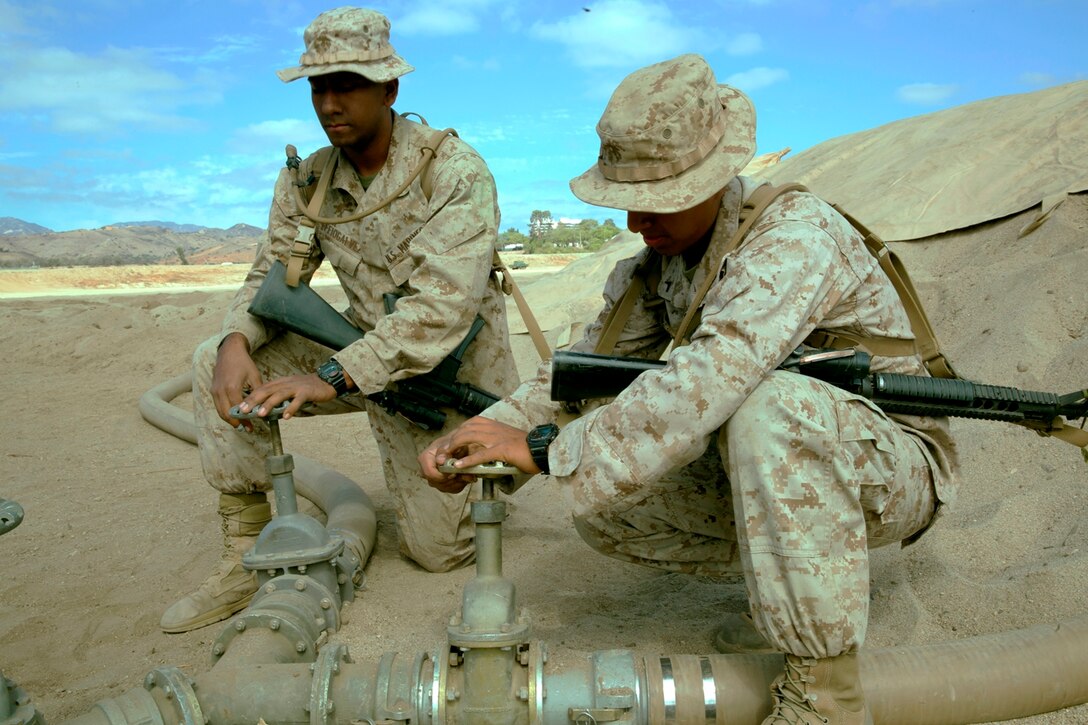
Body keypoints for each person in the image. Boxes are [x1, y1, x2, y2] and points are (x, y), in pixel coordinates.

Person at [420, 54, 957, 724]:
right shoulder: (658, 267)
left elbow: (705, 381)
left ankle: (826, 696)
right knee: (610, 501)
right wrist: (486, 434)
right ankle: (787, 603)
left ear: (717, 177)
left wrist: (547, 446)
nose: (636, 221)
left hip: (888, 463)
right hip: (786, 462)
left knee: (768, 407)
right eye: (628, 200)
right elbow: (583, 374)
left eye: (658, 199)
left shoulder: (794, 238)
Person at [161, 6, 519, 634]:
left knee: (440, 554)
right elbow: (271, 277)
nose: (330, 103)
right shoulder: (306, 181)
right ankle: (247, 552)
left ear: (390, 88)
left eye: (347, 84)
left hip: (449, 380)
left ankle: (489, 469)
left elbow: (439, 314)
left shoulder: (453, 173)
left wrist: (333, 376)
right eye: (318, 87)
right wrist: (236, 340)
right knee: (209, 357)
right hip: (357, 361)